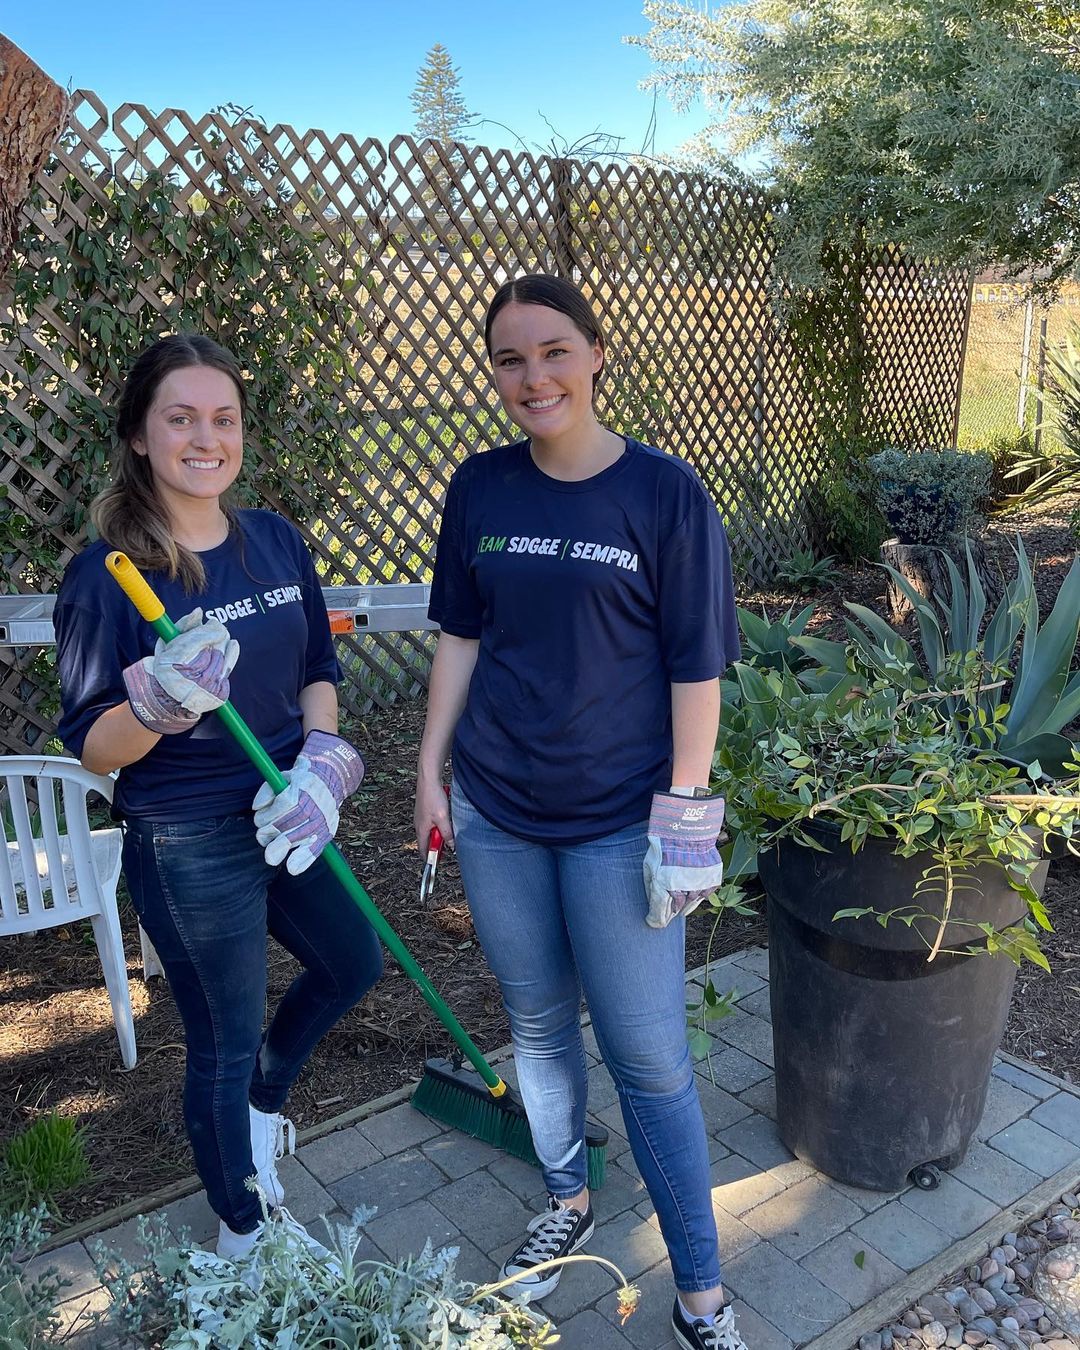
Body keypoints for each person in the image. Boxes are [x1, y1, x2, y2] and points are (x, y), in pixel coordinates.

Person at [413, 275, 745, 1350]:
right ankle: (564, 1206)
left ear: (596, 354)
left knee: (650, 1060)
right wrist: (430, 768)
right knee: (542, 1030)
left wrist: (685, 809)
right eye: (510, 360)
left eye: (553, 351)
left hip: (620, 823)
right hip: (500, 809)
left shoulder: (663, 495)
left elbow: (698, 666)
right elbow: (462, 634)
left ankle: (702, 1295)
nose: (533, 377)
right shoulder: (481, 487)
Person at [54, 333, 382, 1261]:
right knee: (224, 1035)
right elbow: (91, 747)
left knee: (353, 962)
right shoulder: (106, 576)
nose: (207, 437)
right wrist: (155, 703)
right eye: (182, 418)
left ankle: (256, 1114)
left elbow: (319, 666)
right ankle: (246, 1235)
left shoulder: (274, 539)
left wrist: (325, 759)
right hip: (188, 836)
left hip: (288, 807)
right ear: (139, 437)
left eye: (224, 418)